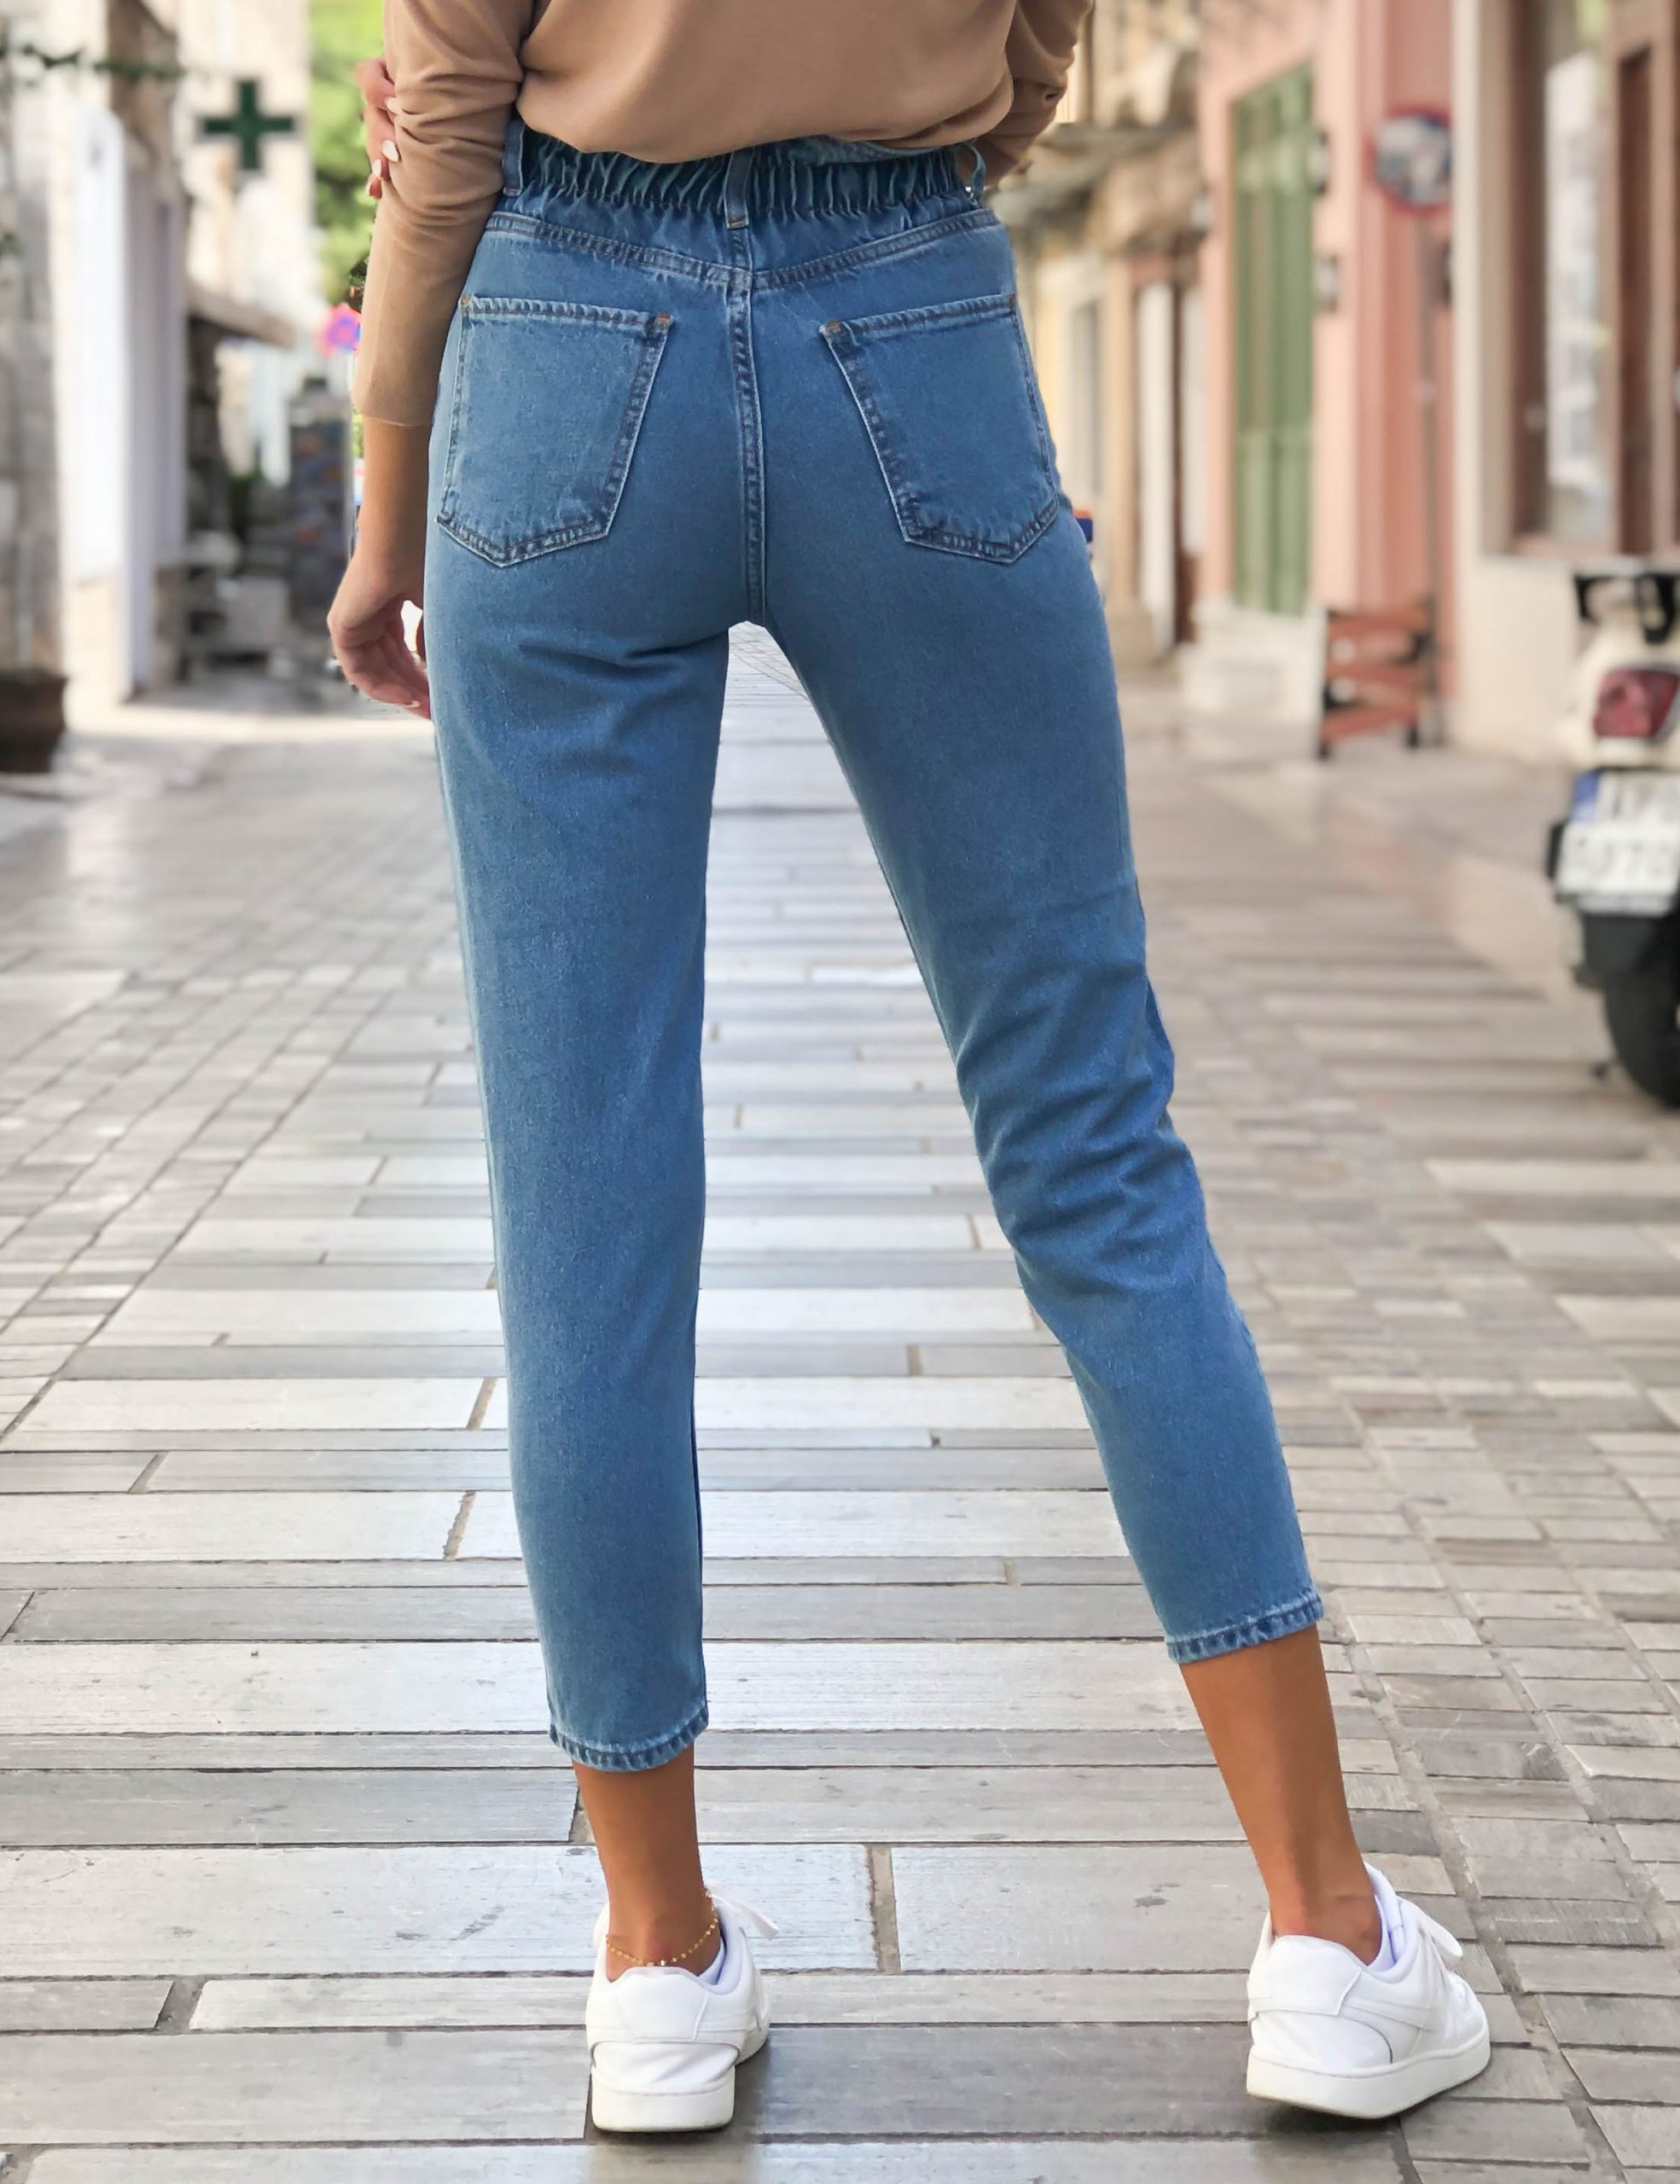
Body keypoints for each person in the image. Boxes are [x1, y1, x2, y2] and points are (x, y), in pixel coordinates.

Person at [329, 5, 1490, 2136]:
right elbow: (1041, 35)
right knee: (1091, 1148)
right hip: (907, 316)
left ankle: (655, 1961)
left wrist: (387, 495)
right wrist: (925, 129)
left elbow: (448, 107)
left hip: (561, 337)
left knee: (582, 1199)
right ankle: (1328, 1934)